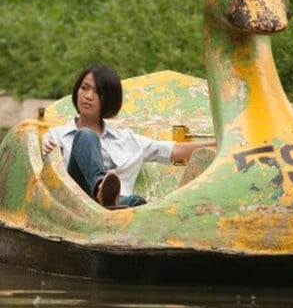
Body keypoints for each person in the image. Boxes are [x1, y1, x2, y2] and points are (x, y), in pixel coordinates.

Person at [42, 64, 216, 209]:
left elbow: (173, 149)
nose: (88, 96)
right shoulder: (57, 136)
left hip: (117, 209)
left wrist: (219, 143)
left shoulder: (127, 139)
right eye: (84, 88)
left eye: (97, 92)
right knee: (86, 135)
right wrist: (52, 155)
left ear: (108, 99)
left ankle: (112, 202)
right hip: (77, 203)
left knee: (136, 202)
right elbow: (48, 176)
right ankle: (100, 189)